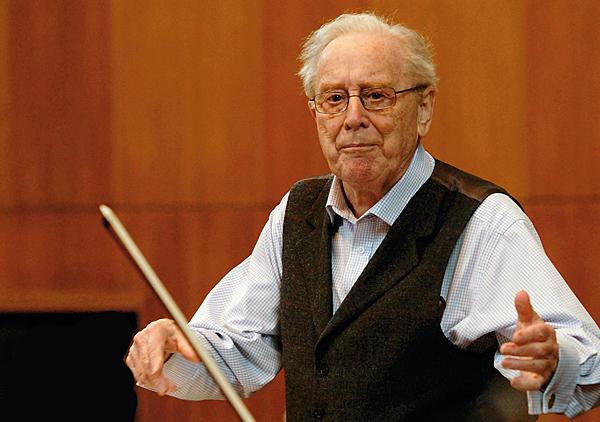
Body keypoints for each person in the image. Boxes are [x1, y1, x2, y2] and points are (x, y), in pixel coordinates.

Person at [125, 12, 600, 420]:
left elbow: (588, 362)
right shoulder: (297, 214)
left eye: (376, 96)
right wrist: (174, 347)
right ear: (316, 113)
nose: (353, 117)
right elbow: (239, 349)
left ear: (424, 108)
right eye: (334, 99)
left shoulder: (482, 221)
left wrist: (553, 360)